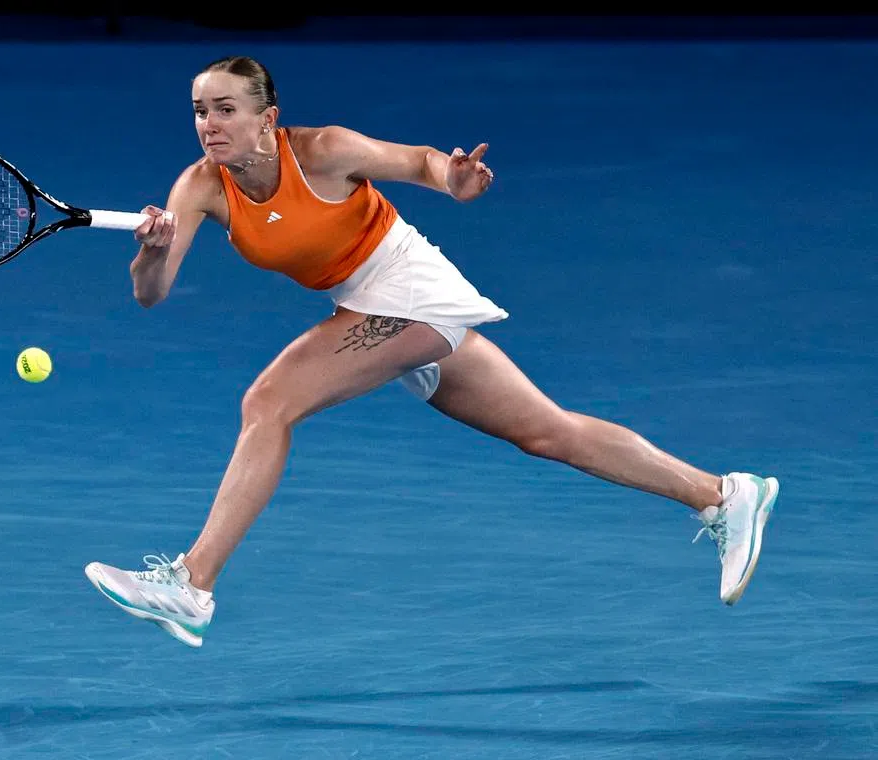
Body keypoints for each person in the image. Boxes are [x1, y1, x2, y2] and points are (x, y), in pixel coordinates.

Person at [84, 55, 779, 648]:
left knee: (269, 402)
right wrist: (151, 251)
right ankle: (721, 495)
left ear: (267, 117)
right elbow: (151, 293)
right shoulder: (201, 186)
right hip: (363, 305)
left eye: (227, 109)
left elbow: (416, 161)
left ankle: (194, 584)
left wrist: (454, 180)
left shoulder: (322, 149)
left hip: (410, 287)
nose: (210, 124)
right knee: (546, 431)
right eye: (201, 110)